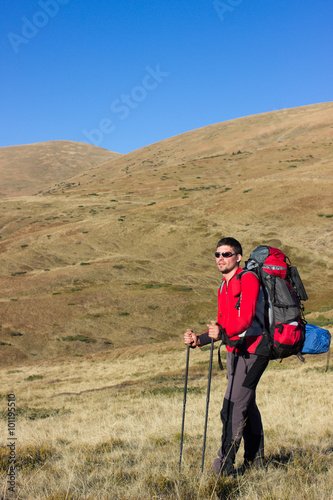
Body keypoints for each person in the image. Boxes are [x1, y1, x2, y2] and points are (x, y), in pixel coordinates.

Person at [184, 237, 270, 476]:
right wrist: (200, 339)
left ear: (238, 257)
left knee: (232, 408)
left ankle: (222, 469)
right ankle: (256, 461)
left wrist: (222, 331)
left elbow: (246, 318)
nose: (220, 258)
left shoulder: (249, 279)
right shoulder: (223, 286)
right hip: (235, 352)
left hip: (253, 352)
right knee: (246, 405)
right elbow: (223, 323)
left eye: (226, 254)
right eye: (217, 254)